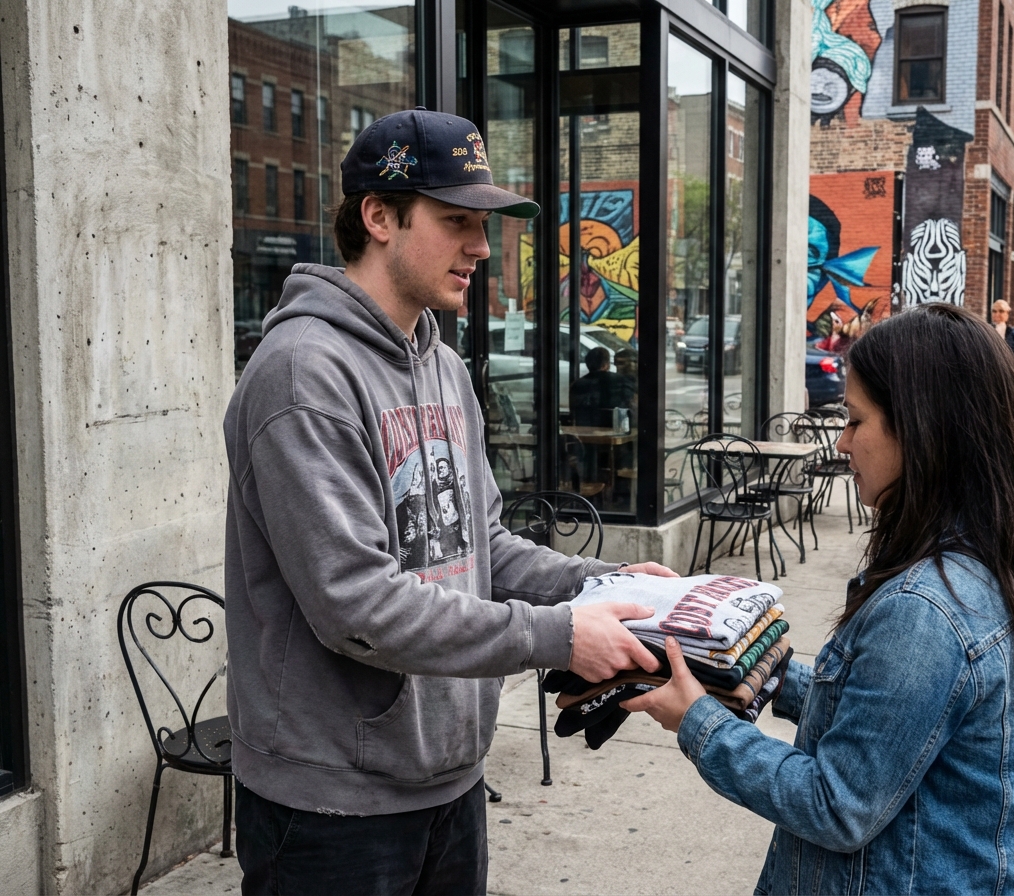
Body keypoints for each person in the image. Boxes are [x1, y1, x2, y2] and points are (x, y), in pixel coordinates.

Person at [223, 107, 677, 895]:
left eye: (484, 223)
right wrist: (561, 636)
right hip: (331, 806)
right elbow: (359, 605)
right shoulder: (302, 377)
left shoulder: (445, 367)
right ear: (379, 218)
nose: (480, 247)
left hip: (449, 778)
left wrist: (603, 586)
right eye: (457, 220)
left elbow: (483, 546)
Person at [624, 303, 1014, 894]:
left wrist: (697, 722)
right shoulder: (987, 563)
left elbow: (837, 805)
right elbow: (889, 716)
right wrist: (768, 675)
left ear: (922, 431)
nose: (841, 442)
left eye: (856, 421)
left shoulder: (926, 611)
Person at [569, 346, 636, 427]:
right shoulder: (622, 381)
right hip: (616, 430)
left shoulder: (576, 385)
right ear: (606, 365)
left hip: (585, 432)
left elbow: (574, 413)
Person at [991, 298, 1014, 371]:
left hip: (1009, 370)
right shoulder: (988, 330)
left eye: (1001, 311)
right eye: (994, 311)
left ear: (1007, 313)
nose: (997, 314)